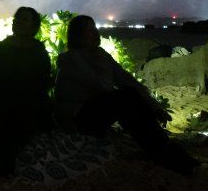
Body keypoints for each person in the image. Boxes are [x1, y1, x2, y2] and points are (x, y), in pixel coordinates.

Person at [54, 14, 198, 176]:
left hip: (96, 110)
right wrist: (130, 98)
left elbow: (127, 80)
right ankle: (163, 153)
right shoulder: (73, 58)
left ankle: (166, 149)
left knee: (130, 96)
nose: (95, 32)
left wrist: (155, 107)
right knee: (126, 99)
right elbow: (99, 86)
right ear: (78, 35)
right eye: (89, 30)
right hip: (76, 118)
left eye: (95, 28)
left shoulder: (100, 54)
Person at [0, 6, 53, 176]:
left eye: (24, 19)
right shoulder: (2, 46)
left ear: (34, 26)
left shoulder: (39, 51)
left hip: (27, 98)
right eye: (17, 18)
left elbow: (43, 80)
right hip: (3, 94)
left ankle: (3, 156)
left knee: (15, 111)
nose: (18, 22)